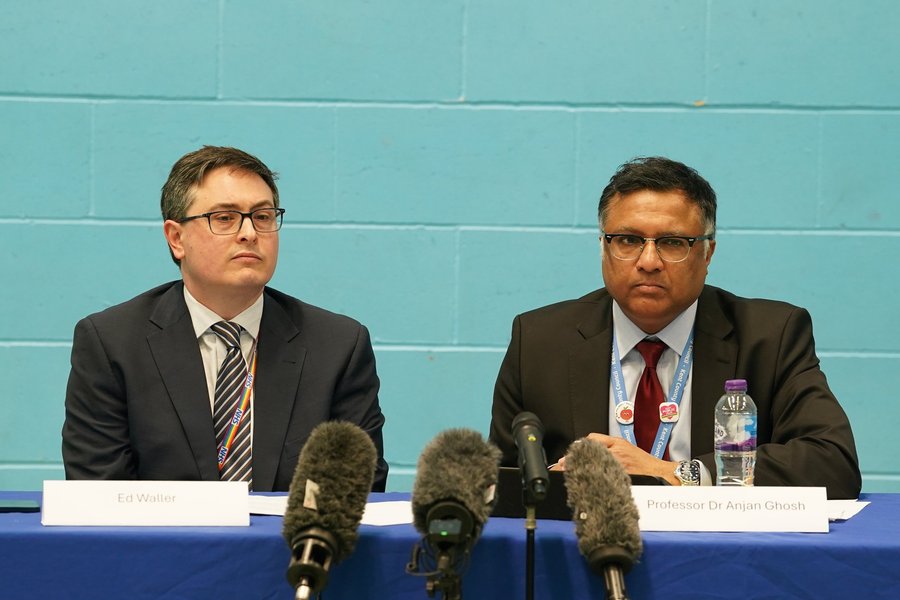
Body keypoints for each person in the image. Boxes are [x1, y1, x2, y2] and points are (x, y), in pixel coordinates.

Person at [490, 156, 861, 499]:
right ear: (603, 247)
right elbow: (502, 482)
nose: (648, 261)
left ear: (707, 253)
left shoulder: (770, 337)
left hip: (718, 555)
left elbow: (832, 463)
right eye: (628, 240)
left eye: (672, 243)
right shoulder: (539, 341)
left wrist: (675, 472)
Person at [62, 146, 388, 492]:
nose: (249, 233)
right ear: (176, 238)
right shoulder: (112, 343)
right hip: (162, 545)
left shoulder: (337, 346)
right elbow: (98, 491)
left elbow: (356, 491)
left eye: (262, 217)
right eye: (224, 218)